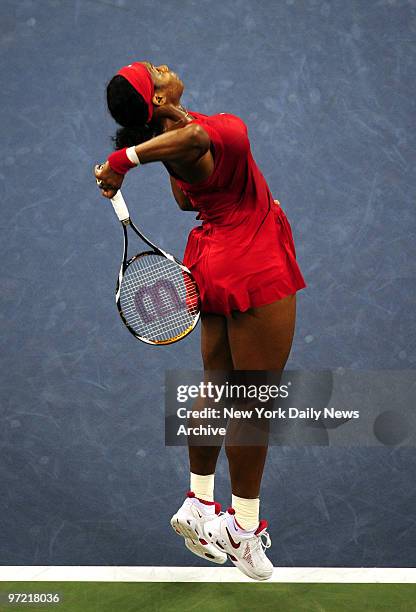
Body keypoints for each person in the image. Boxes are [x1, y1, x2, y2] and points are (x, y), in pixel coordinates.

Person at [94, 61, 307, 581]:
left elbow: (189, 198)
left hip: (211, 256)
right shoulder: (195, 137)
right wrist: (123, 160)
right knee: (254, 398)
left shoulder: (181, 139)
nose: (163, 67)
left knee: (218, 383)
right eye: (155, 73)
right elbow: (204, 140)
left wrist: (143, 149)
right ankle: (243, 527)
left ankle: (199, 500)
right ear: (158, 102)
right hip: (253, 261)